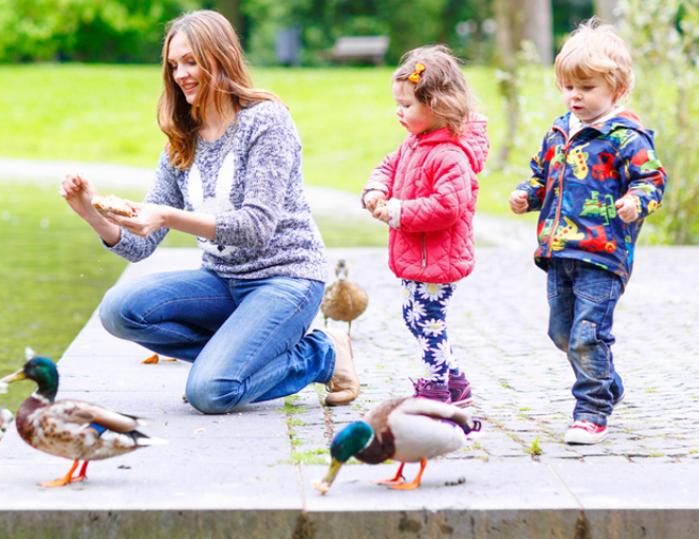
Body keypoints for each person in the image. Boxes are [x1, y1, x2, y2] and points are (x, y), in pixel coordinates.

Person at [59, 10, 358, 414]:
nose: (181, 74)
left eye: (191, 61)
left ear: (220, 58)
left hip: (286, 280)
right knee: (119, 311)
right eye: (174, 65)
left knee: (210, 392)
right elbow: (138, 247)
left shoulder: (266, 121)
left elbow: (256, 227)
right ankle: (232, 356)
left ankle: (321, 354)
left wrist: (166, 215)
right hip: (221, 281)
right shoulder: (182, 140)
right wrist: (90, 212)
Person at [509, 20, 666, 445]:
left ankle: (592, 411)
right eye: (568, 87)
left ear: (616, 89)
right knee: (561, 334)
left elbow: (652, 181)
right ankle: (608, 382)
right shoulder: (559, 131)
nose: (575, 96)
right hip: (559, 253)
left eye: (586, 88)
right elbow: (543, 178)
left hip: (603, 254)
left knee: (587, 335)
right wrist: (528, 194)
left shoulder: (625, 138)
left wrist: (636, 201)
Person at [361, 45, 488, 406]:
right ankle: (456, 380)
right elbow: (388, 165)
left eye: (406, 106)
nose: (398, 113)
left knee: (430, 320)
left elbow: (448, 206)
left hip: (438, 259)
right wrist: (375, 189)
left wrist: (399, 212)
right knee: (414, 317)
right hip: (416, 257)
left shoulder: (450, 154)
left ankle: (434, 387)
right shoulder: (415, 143)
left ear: (436, 105)